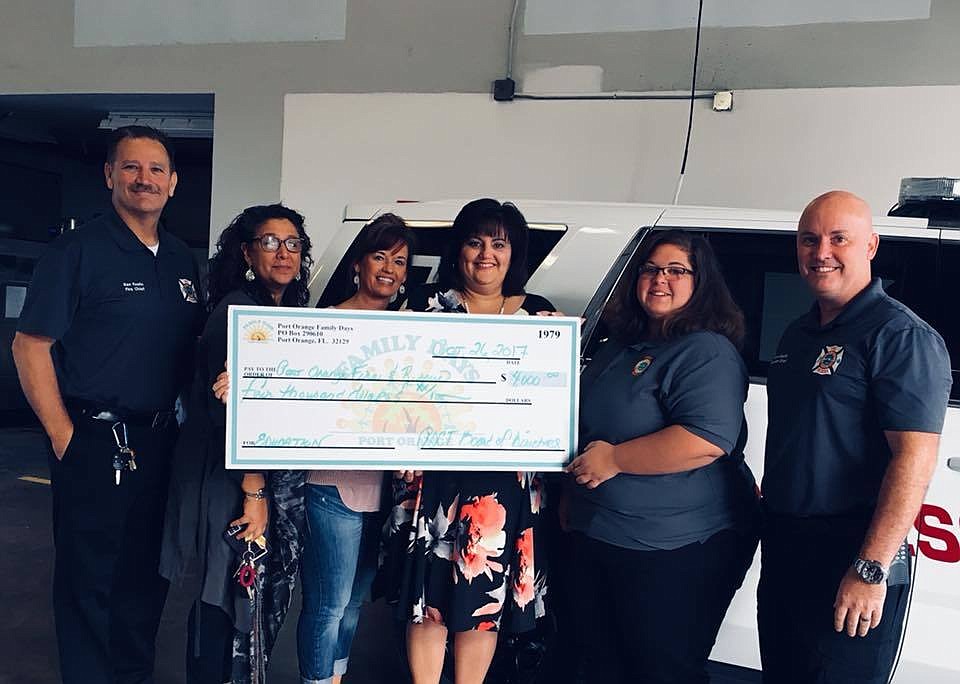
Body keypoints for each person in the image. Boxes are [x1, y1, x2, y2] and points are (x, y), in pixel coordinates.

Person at [12, 125, 202, 684]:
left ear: (174, 183)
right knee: (90, 580)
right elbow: (30, 345)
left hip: (162, 441)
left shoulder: (181, 260)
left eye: (156, 170)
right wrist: (63, 434)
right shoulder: (77, 251)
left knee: (147, 577)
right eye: (131, 167)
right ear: (109, 176)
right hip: (95, 439)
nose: (145, 179)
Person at [759, 191, 952, 683]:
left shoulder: (901, 336)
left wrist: (869, 569)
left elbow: (914, 459)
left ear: (871, 245)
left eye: (838, 238)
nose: (820, 252)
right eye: (808, 240)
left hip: (851, 552)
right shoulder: (798, 333)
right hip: (786, 548)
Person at [564, 230, 760, 684]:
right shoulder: (621, 344)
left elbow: (705, 439)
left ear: (701, 281)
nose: (660, 279)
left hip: (677, 549)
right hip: (600, 535)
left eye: (676, 270)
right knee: (603, 664)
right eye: (651, 269)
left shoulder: (706, 351)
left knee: (663, 670)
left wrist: (612, 460)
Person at [382, 198, 554, 684]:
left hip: (504, 487)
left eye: (498, 243)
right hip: (433, 478)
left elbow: (553, 400)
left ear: (513, 252)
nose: (486, 254)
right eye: (475, 241)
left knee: (484, 599)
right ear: (457, 249)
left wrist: (560, 350)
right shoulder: (422, 304)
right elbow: (387, 382)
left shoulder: (539, 317)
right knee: (429, 603)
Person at [159, 203, 313, 683]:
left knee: (239, 593)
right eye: (269, 242)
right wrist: (254, 490)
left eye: (292, 243)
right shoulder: (237, 311)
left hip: (247, 475)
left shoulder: (282, 310)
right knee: (225, 591)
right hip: (227, 477)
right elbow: (236, 413)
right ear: (248, 252)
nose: (282, 253)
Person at [300, 213, 415, 684]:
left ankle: (335, 677)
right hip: (332, 487)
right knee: (328, 605)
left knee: (352, 606)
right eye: (380, 256)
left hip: (384, 494)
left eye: (401, 261)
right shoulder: (323, 325)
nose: (389, 268)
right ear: (358, 264)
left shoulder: (415, 332)